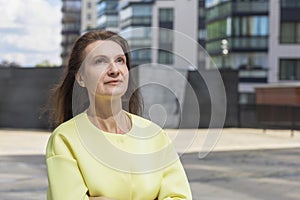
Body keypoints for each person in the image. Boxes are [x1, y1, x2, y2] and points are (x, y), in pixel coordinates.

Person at [46, 30, 192, 200]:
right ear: (80, 77)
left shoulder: (155, 136)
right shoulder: (65, 139)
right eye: (100, 61)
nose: (114, 70)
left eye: (120, 61)